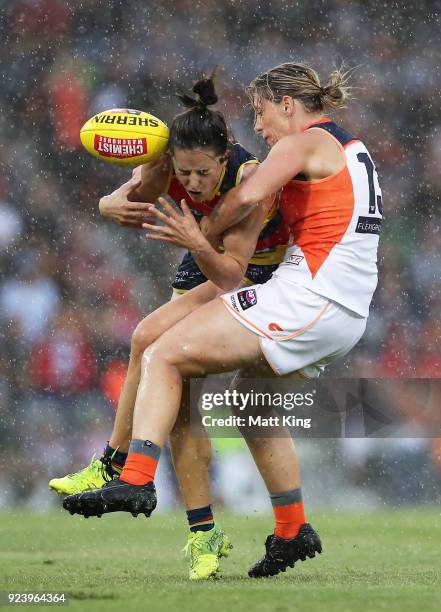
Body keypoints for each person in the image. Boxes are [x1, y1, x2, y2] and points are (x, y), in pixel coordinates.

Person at [63, 61, 382, 577]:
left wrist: (200, 233)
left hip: (310, 297)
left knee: (163, 351)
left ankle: (137, 478)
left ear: (287, 103)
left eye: (260, 113)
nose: (258, 128)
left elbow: (252, 194)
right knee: (251, 408)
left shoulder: (303, 141)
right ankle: (293, 529)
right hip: (343, 309)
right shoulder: (352, 147)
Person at [51, 75, 301, 580]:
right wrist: (116, 196)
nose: (191, 183)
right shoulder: (170, 162)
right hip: (201, 256)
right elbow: (131, 198)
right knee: (181, 406)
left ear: (225, 156)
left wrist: (195, 235)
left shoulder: (251, 180)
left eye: (202, 173)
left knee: (148, 339)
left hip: (250, 266)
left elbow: (232, 273)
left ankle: (115, 464)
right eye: (183, 172)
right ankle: (202, 534)